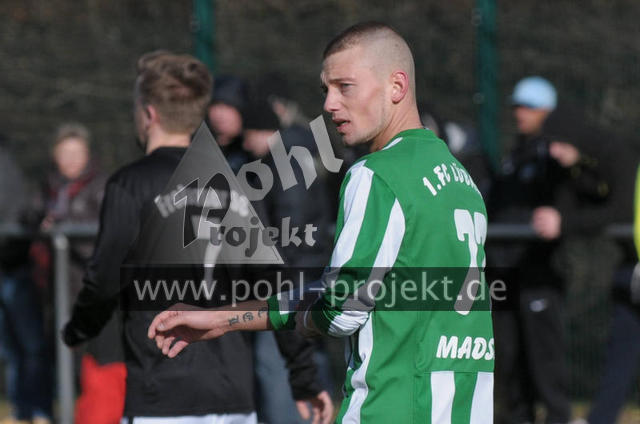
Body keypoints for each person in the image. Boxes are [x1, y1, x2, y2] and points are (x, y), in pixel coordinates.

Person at [147, 22, 494, 424]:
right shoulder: (459, 177)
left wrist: (299, 317)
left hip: (393, 408)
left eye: (345, 87)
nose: (329, 104)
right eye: (325, 89)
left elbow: (342, 310)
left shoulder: (376, 174)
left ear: (396, 86)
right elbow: (370, 290)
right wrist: (222, 318)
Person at [62, 51, 329, 424]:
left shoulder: (131, 184)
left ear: (149, 113)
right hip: (233, 400)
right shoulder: (236, 184)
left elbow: (104, 279)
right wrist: (303, 377)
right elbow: (274, 285)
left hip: (161, 397)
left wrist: (78, 329)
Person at [489, 76, 611, 424]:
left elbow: (584, 196)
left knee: (546, 360)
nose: (520, 113)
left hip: (539, 272)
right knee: (509, 359)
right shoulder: (515, 156)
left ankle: (559, 418)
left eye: (528, 107)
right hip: (504, 272)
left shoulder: (555, 155)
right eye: (517, 106)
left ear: (548, 111)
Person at [0, 136, 53, 424]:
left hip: (14, 266)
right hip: (10, 265)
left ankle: (35, 408)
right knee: (12, 348)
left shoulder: (7, 164)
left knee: (28, 346)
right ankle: (22, 408)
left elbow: (13, 209)